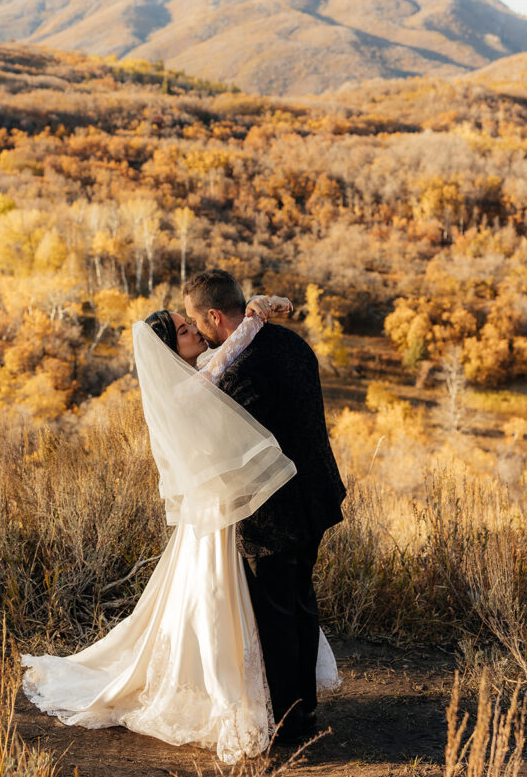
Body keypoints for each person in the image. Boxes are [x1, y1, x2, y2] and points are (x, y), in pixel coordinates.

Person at [20, 292, 340, 763]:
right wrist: (252, 316)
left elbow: (228, 350)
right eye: (184, 329)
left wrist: (253, 314)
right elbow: (229, 355)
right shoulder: (188, 388)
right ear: (171, 347)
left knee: (260, 605)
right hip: (225, 514)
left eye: (191, 322)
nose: (194, 330)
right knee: (231, 604)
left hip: (239, 510)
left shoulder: (206, 368)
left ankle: (283, 703)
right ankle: (263, 702)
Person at [184, 270, 347, 745]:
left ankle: (288, 725)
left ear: (214, 316)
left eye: (197, 321)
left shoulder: (237, 371)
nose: (197, 330)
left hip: (272, 511)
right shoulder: (292, 345)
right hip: (316, 494)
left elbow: (227, 449)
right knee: (301, 601)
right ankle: (306, 712)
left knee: (275, 617)